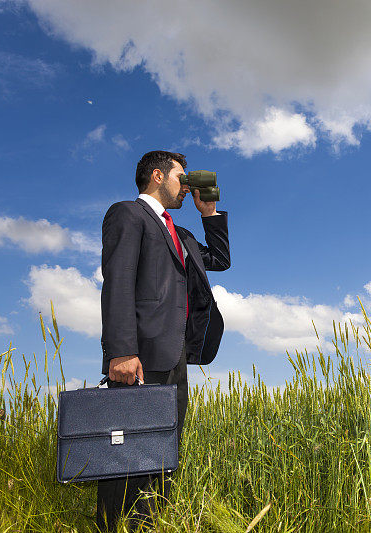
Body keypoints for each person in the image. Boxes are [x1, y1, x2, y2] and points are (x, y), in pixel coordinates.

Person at [97, 150, 230, 530]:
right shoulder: (128, 214)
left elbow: (219, 260)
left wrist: (210, 215)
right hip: (139, 354)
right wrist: (121, 351)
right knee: (127, 451)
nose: (186, 186)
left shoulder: (183, 234)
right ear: (157, 176)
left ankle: (150, 524)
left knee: (164, 447)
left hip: (176, 356)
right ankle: (112, 526)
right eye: (181, 177)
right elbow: (118, 282)